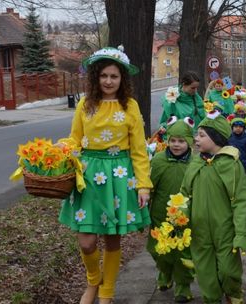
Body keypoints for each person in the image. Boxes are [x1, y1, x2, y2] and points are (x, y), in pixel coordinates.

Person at [57, 46, 152, 304]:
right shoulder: (84, 104)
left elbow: (139, 150)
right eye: (104, 76)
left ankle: (106, 293)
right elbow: (75, 139)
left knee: (112, 238)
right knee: (87, 241)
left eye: (114, 76)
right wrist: (62, 149)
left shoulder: (130, 105)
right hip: (88, 177)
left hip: (119, 175)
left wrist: (143, 185)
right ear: (96, 78)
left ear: (122, 79)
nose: (109, 81)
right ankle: (93, 281)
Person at [180, 110, 246, 304]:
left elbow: (241, 201)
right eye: (197, 134)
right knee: (205, 273)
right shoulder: (195, 163)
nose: (196, 139)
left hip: (225, 230)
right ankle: (212, 299)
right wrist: (180, 215)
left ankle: (233, 292)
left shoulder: (232, 165)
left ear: (216, 138)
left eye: (202, 135)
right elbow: (184, 193)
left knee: (229, 271)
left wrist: (242, 233)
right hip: (199, 231)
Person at [147, 117, 196, 303]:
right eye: (173, 140)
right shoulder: (158, 160)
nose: (176, 145)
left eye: (181, 141)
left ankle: (183, 287)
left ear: (189, 142)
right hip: (160, 214)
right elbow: (149, 186)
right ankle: (165, 272)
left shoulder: (195, 163)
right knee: (158, 250)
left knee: (183, 252)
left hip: (185, 215)